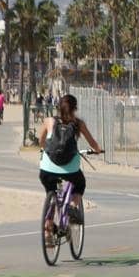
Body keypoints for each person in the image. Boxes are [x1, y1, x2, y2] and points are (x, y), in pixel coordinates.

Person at [37, 94, 103, 246]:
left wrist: (46, 149)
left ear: (58, 107)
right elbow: (93, 143)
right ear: (75, 109)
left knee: (50, 191)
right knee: (80, 183)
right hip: (70, 168)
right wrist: (98, 150)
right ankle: (73, 206)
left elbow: (41, 142)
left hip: (48, 167)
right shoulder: (78, 124)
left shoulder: (49, 121)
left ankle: (47, 229)